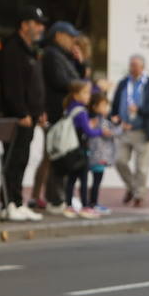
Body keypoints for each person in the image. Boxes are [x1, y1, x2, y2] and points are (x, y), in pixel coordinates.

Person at [0, 5, 46, 221]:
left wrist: (39, 111)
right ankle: (7, 204)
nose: (41, 28)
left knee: (22, 159)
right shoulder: (12, 49)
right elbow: (12, 86)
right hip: (17, 118)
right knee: (13, 159)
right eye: (37, 23)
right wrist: (21, 112)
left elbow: (33, 84)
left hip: (30, 116)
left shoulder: (29, 49)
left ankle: (17, 201)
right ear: (24, 25)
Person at [34, 20, 86, 211]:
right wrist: (79, 85)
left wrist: (80, 64)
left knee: (54, 156)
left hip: (61, 114)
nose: (74, 40)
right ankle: (52, 198)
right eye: (70, 36)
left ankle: (44, 196)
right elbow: (62, 82)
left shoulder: (63, 56)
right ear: (58, 36)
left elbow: (77, 79)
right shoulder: (52, 55)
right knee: (56, 155)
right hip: (55, 113)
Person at [110, 54, 149, 206]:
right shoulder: (123, 83)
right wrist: (115, 118)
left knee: (142, 167)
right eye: (131, 64)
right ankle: (133, 187)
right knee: (120, 160)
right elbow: (115, 104)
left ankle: (139, 196)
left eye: (135, 65)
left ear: (142, 67)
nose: (132, 68)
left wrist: (139, 110)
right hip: (125, 130)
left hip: (143, 131)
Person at [55, 79, 105, 219]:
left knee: (71, 179)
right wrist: (100, 131)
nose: (89, 96)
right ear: (76, 94)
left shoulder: (69, 107)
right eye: (86, 93)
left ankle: (69, 205)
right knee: (83, 179)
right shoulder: (81, 111)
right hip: (81, 150)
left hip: (71, 149)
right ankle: (85, 206)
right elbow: (88, 131)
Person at [86, 89, 117, 213]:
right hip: (97, 155)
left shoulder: (98, 119)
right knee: (96, 180)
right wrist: (116, 127)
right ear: (94, 106)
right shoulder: (98, 120)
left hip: (93, 154)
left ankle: (90, 202)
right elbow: (108, 133)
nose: (106, 108)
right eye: (103, 105)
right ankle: (92, 203)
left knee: (92, 180)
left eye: (106, 105)